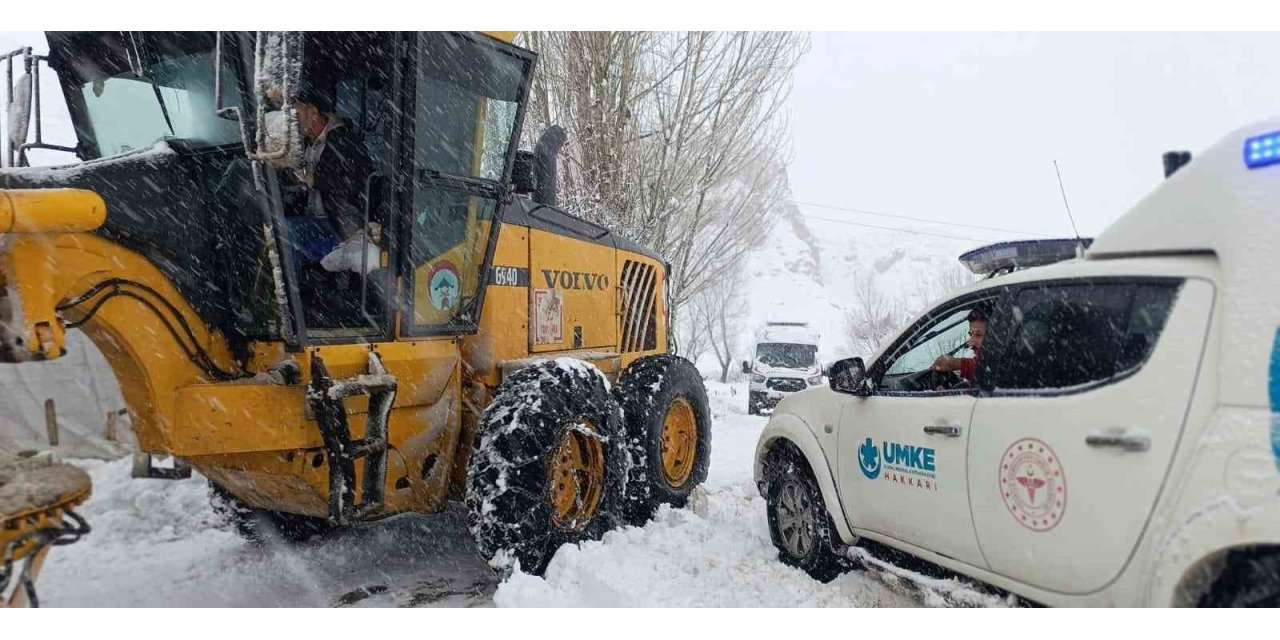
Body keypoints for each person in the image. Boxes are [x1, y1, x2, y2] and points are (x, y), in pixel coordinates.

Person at [292, 84, 378, 274]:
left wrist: (313, 179)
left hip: (339, 225)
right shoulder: (308, 144)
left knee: (287, 233)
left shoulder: (344, 141)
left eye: (296, 115)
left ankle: (285, 296)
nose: (292, 122)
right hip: (315, 218)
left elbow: (352, 183)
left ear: (313, 111)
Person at [932, 309, 988, 382]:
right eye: (971, 334)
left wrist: (957, 363)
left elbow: (987, 369)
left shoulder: (1002, 367)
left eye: (978, 335)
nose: (970, 343)